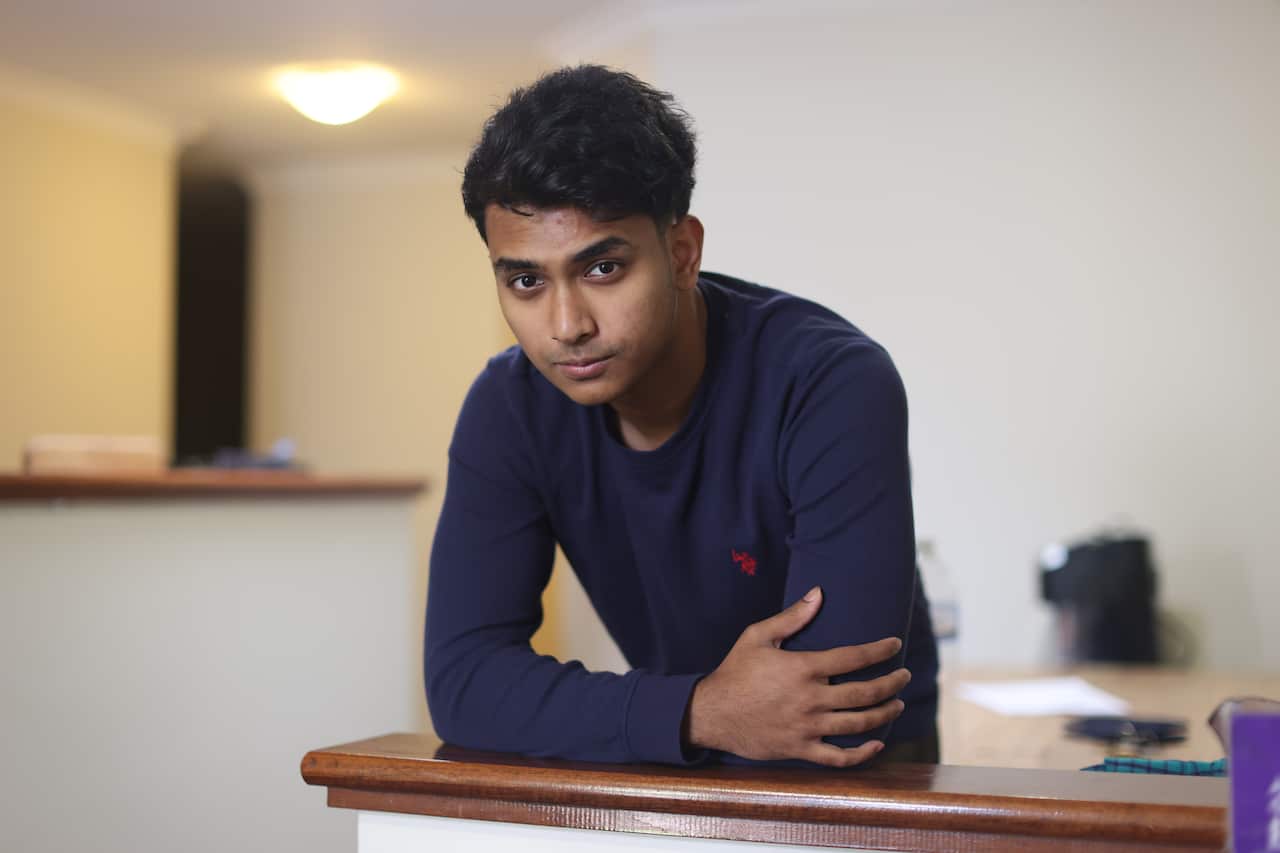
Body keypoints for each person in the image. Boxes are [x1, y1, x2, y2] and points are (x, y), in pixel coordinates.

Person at [425, 64, 939, 767]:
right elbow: (464, 685)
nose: (567, 324)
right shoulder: (508, 407)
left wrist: (664, 717)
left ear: (681, 252)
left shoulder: (830, 381)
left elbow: (833, 711)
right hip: (684, 759)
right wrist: (701, 710)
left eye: (602, 268)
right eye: (526, 280)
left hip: (863, 779)